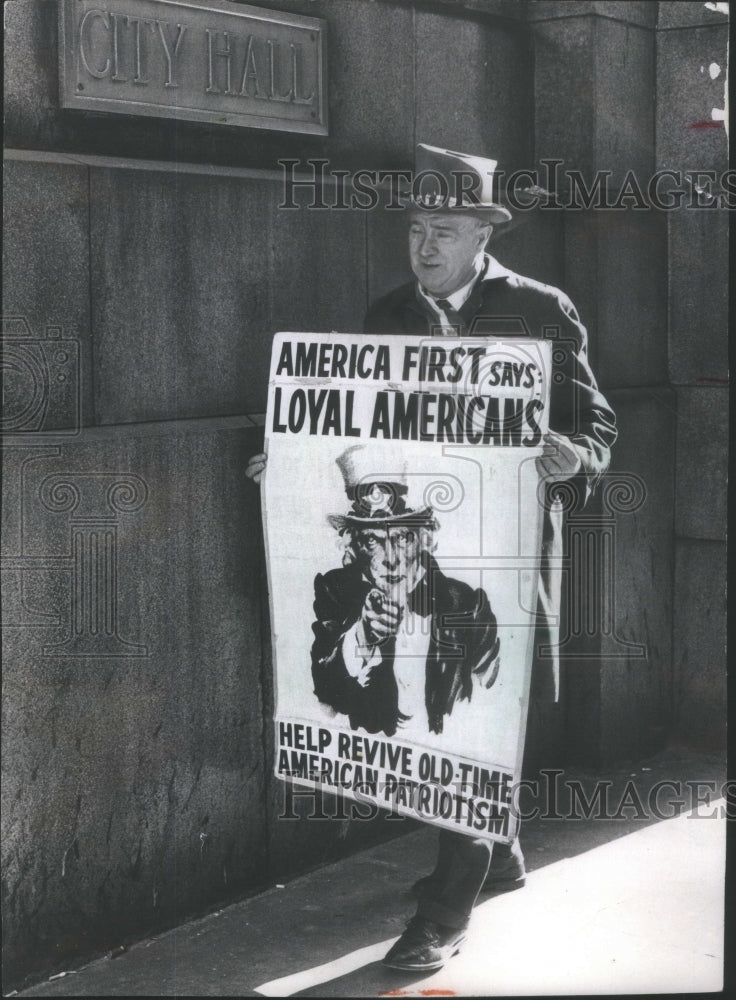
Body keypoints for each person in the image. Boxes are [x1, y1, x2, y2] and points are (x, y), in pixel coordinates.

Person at [247, 143, 617, 972]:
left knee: (469, 704)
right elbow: (353, 429)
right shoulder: (386, 314)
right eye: (416, 228)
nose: (424, 246)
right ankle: (501, 853)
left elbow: (599, 427)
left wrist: (575, 458)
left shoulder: (541, 308)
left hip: (503, 549)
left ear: (481, 235)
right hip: (417, 552)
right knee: (435, 705)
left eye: (442, 230)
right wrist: (292, 466)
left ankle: (447, 908)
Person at [311, 445, 501, 739]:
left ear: (423, 539)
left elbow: (495, 700)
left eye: (402, 538)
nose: (391, 557)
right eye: (373, 541)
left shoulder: (466, 605)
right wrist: (361, 636)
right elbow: (324, 694)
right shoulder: (335, 591)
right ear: (354, 547)